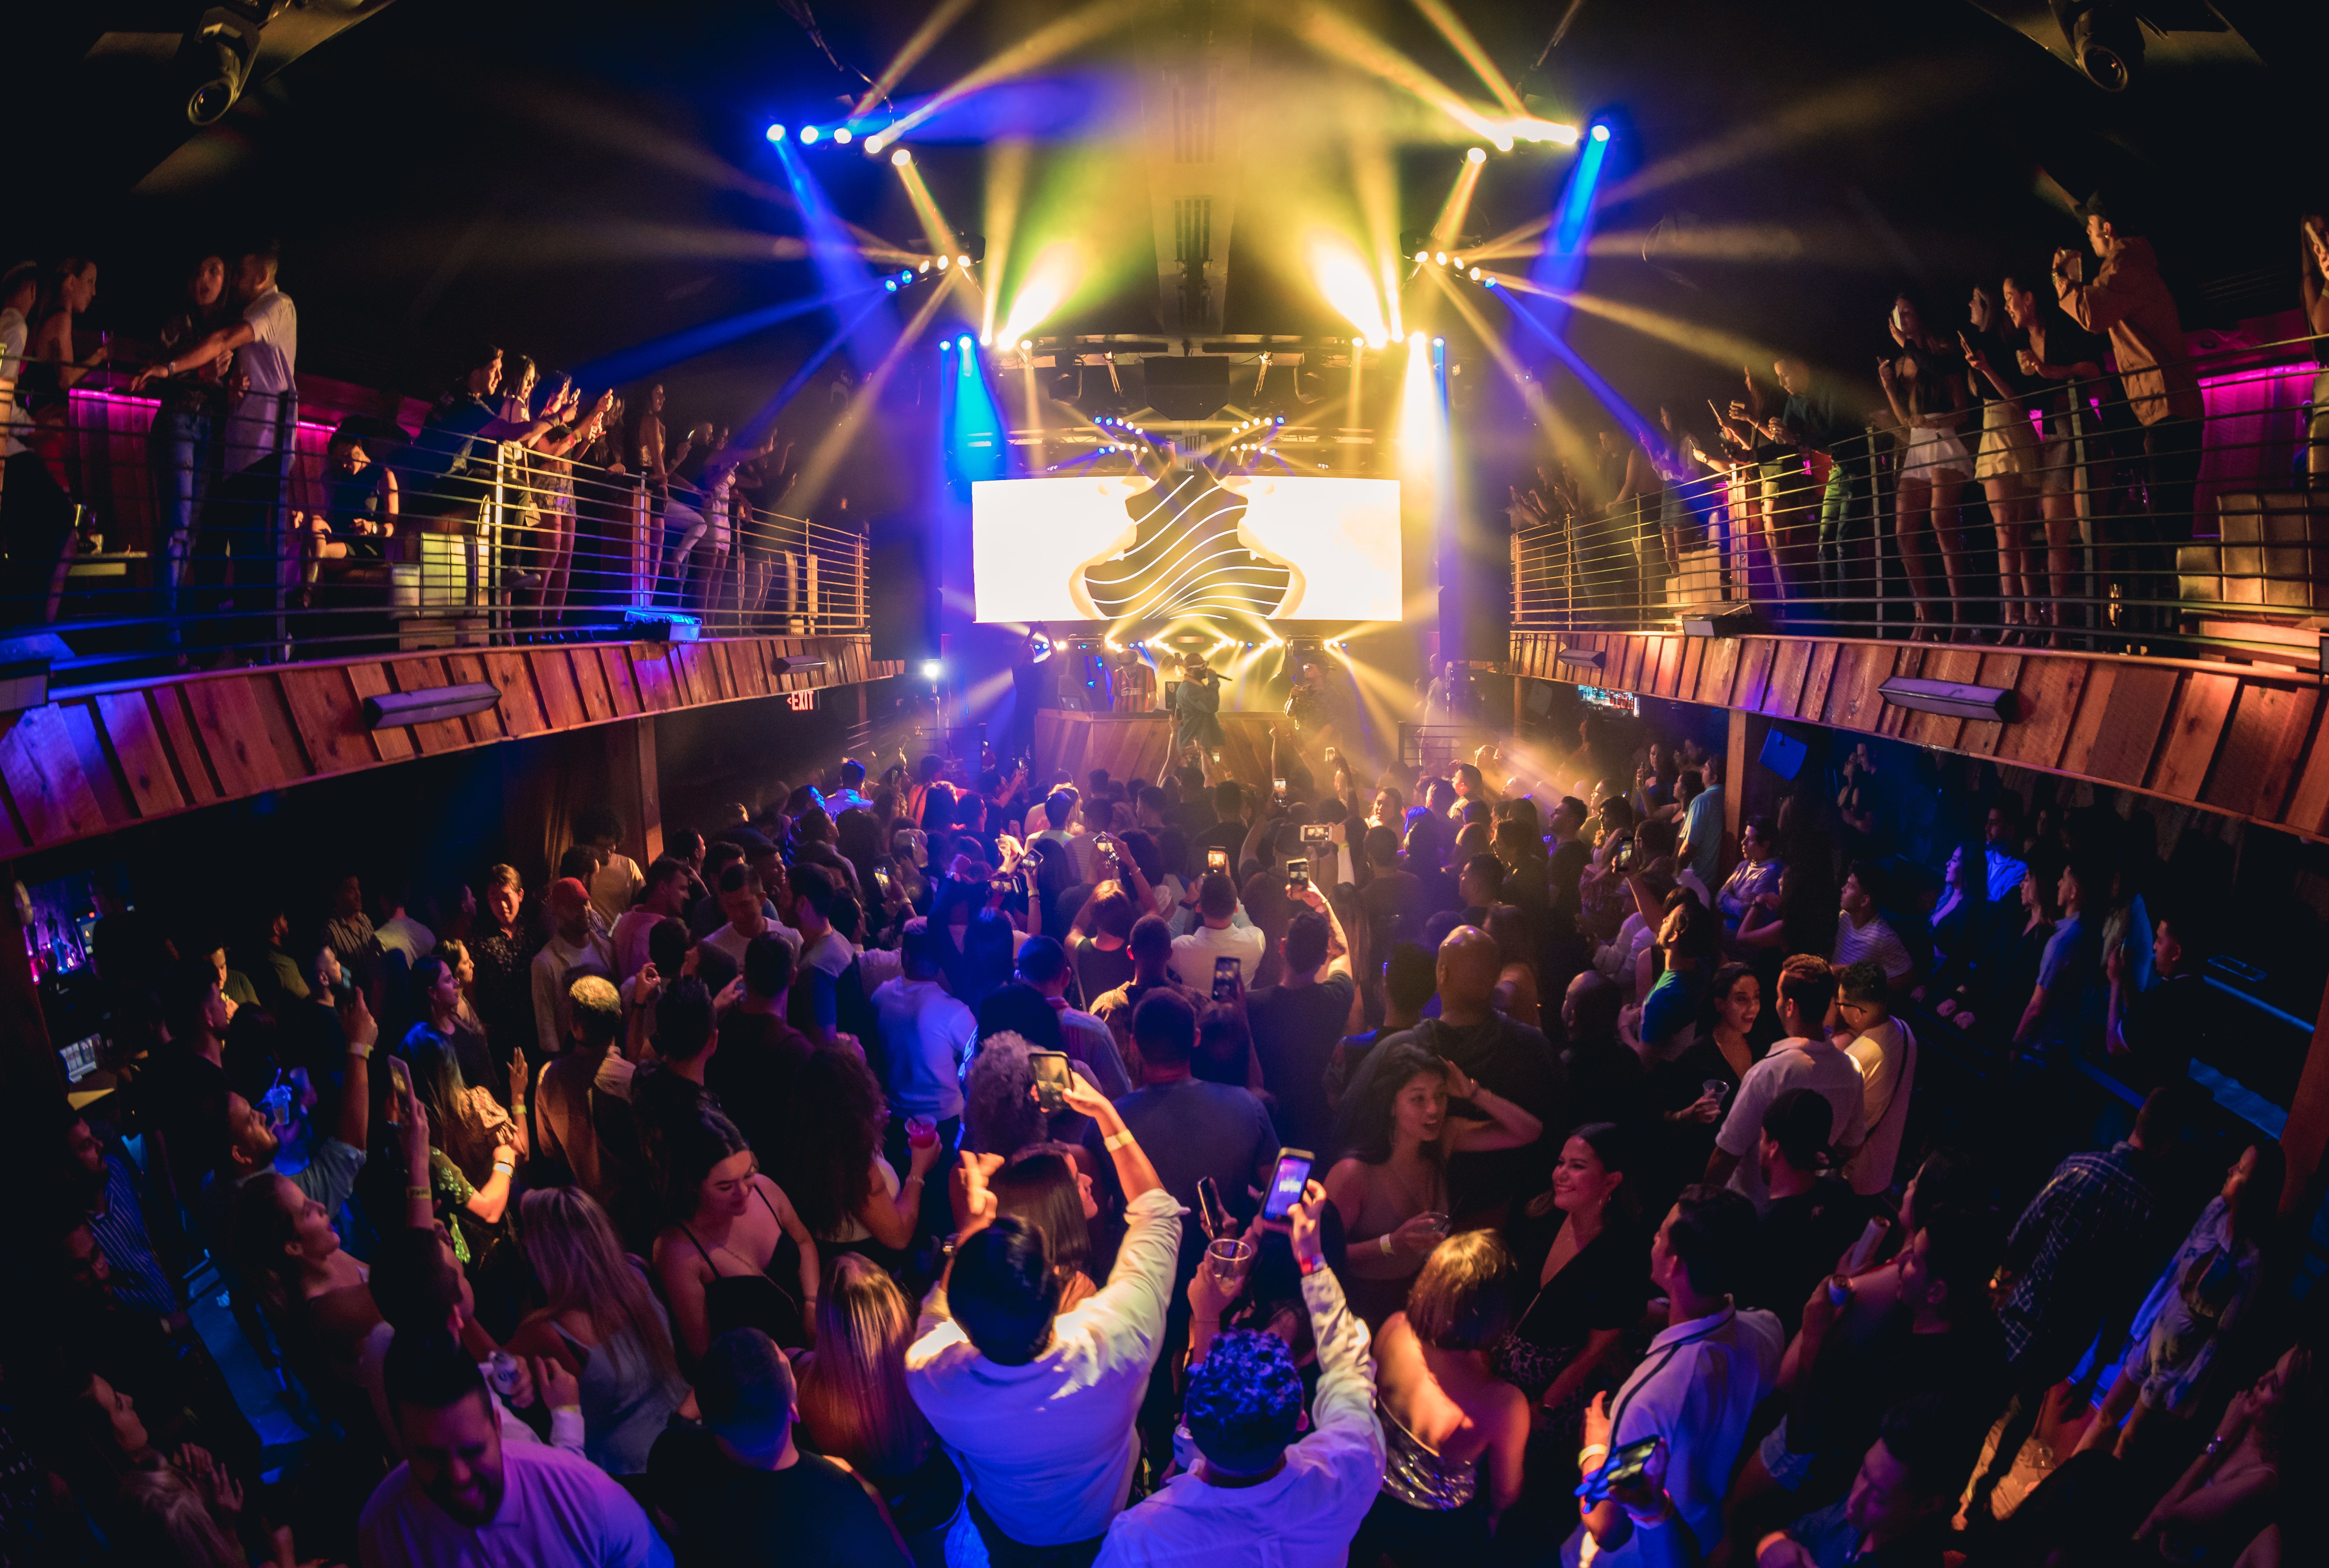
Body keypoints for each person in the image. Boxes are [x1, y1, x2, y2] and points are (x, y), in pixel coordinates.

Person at [907, 1065, 1178, 1563]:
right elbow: (1158, 1214)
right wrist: (1104, 1112)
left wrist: (972, 1232)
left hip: (1011, 1535)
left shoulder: (931, 1375)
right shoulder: (1114, 1340)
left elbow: (939, 1313)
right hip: (1107, 1527)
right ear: (1050, 1284)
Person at [1097, 1181, 1383, 1566]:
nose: (1248, 1234)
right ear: (1301, 1416)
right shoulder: (1349, 1472)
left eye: (1257, 1236)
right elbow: (1349, 1366)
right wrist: (1312, 1259)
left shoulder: (1141, 1538)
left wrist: (1207, 1315)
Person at [1968, 1086, 2182, 1524]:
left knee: (1978, 1404)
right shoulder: (2149, 1212)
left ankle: (1944, 1484)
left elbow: (2022, 1235)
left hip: (2018, 1314)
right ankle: (1982, 1498)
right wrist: (2092, 1371)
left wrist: (1997, 1281)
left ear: (2137, 1121)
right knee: (2025, 1408)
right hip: (2063, 1339)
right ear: (2168, 1144)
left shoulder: (2079, 1166)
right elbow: (2123, 1302)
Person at [1558, 1185, 1784, 1568]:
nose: (1654, 1237)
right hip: (1702, 1528)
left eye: (1661, 1232)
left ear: (1674, 1263)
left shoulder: (1648, 1398)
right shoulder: (1768, 1330)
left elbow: (1607, 1527)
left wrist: (1594, 1446)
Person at [359, 1330, 671, 1567]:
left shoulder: (589, 1495)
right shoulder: (382, 1528)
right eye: (431, 1456)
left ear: (497, 1426)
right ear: (401, 1442)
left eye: (472, 1450)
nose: (459, 1476)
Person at [2076, 1141, 2285, 1459]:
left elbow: (2226, 1331)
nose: (2230, 1171)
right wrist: (2140, 1328)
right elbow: (2174, 1269)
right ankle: (2056, 1491)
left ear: (2254, 1190)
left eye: (2241, 1170)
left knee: (2129, 1442)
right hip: (2157, 1332)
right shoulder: (2215, 1210)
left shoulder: (2251, 1260)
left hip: (2178, 1362)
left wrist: (2188, 1388)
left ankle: (2090, 1503)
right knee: (2107, 1413)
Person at [1325, 1040, 1544, 1328]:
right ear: (1391, 1105)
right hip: (1361, 1310)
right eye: (1418, 1099)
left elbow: (1529, 1131)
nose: (1434, 1110)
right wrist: (1392, 1244)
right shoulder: (1354, 1173)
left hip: (1421, 1299)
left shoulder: (1444, 1139)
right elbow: (1318, 1255)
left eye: (1440, 1096)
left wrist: (1474, 1093)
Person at [1354, 1230, 1530, 1558]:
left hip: (1369, 1500)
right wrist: (1492, 1520)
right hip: (1436, 1531)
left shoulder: (1395, 1328)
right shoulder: (1504, 1404)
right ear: (1497, 1311)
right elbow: (1506, 1493)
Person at [2055, 190, 2206, 560]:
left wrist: (2063, 281)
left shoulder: (2125, 266)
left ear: (2107, 228)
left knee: (2166, 523)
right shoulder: (2134, 265)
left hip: (2167, 407)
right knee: (2170, 520)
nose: (2088, 236)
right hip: (2171, 406)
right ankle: (2185, 607)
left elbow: (2093, 313)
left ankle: (2181, 610)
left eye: (2090, 227)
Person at [502, 1187, 690, 1478]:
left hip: (632, 1478)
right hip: (693, 1438)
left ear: (545, 1251)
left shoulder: (551, 1333)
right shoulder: (637, 1272)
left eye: (529, 1236)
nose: (525, 1242)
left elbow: (492, 1366)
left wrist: (461, 1313)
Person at [793, 1255, 964, 1561]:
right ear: (893, 1306)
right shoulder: (924, 1369)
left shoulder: (800, 1377)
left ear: (827, 1319)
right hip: (932, 1507)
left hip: (865, 1521)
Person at [1495, 1122, 1652, 1446]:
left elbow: (1596, 1350)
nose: (1560, 1175)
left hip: (1548, 1382)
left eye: (1577, 1166)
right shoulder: (1543, 1214)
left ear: (1612, 1181)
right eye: (1561, 1163)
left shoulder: (1623, 1255)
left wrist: (1546, 1406)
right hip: (1495, 1366)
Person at [652, 1103, 822, 1361]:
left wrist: (812, 1302)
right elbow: (703, 1352)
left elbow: (803, 1242)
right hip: (758, 1373)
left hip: (814, 1344)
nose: (743, 1193)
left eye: (747, 1176)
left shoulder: (765, 1189)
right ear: (693, 1186)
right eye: (725, 1186)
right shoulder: (677, 1248)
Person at [2131, 1340, 2315, 1566]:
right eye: (2272, 1369)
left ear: (2286, 1418)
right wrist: (2137, 1539)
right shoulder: (2244, 1419)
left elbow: (2165, 1516)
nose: (2261, 1379)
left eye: (2274, 1385)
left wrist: (2220, 1437)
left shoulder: (2262, 1478)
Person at [1708, 955, 1866, 1213]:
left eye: (1779, 996)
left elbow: (1727, 1154)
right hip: (1804, 1209)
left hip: (1750, 1210)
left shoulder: (1770, 1072)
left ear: (1790, 1006)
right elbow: (1852, 1145)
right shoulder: (1852, 1071)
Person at [1751, 1395, 1982, 1568]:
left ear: (1929, 1505)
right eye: (1864, 1472)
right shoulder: (1860, 1505)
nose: (1856, 1499)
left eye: (1879, 1498)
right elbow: (1793, 1533)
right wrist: (1773, 1545)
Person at [1739, 1089, 1869, 1337]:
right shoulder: (1841, 1193)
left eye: (1763, 1138)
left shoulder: (1759, 1228)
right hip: (1823, 1337)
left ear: (1774, 1148)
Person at [1246, 896, 1357, 1153]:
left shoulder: (1251, 1006)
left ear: (1283, 947)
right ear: (1323, 958)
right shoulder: (1336, 999)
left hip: (1265, 1125)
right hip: (1314, 1125)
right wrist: (1324, 904)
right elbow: (1344, 954)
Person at [533, 974, 638, 1218]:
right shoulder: (634, 1082)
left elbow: (551, 1151)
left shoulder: (548, 1077)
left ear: (573, 1024)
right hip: (636, 1215)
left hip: (586, 1214)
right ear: (619, 1018)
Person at [2010, 858, 2105, 1068]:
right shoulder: (2094, 935)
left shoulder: (2064, 940)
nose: (2058, 884)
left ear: (2074, 893)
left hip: (2039, 1050)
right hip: (2065, 1048)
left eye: (2064, 879)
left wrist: (2015, 1044)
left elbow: (2037, 1005)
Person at [1834, 960, 1915, 1198]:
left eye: (1840, 1003)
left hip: (1854, 1177)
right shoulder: (1905, 1032)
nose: (1838, 1009)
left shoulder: (1855, 1057)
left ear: (1858, 1013)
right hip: (1884, 1167)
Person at [531, 877, 615, 1061]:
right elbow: (547, 1029)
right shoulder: (545, 963)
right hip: (572, 1063)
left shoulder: (605, 949)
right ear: (557, 913)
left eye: (586, 903)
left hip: (609, 1056)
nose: (585, 911)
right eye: (575, 907)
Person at [1169, 871, 1266, 992]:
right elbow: (1244, 921)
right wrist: (1228, 892)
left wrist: (1187, 902)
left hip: (1197, 1011)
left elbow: (1168, 940)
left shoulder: (1181, 948)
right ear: (1235, 908)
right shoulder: (1256, 941)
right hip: (1238, 1011)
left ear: (1199, 908)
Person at [1832, 863, 1913, 990]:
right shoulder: (1844, 918)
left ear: (1865, 901)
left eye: (1851, 886)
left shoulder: (1883, 937)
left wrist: (1866, 986)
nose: (1843, 889)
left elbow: (1907, 977)